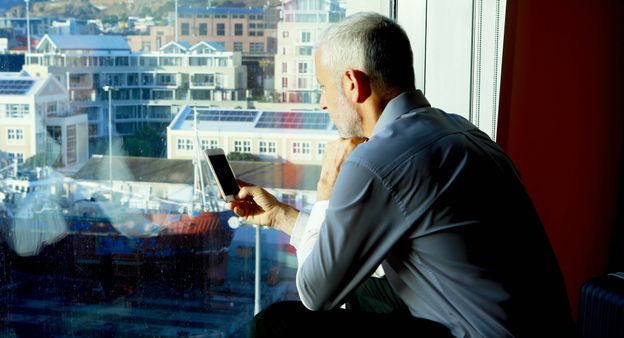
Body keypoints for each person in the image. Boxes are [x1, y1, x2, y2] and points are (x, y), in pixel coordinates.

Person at [228, 11, 576, 338]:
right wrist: (282, 217)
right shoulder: (464, 133)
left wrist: (326, 189)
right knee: (365, 287)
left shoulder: (376, 161)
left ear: (352, 83)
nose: (322, 103)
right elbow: (350, 250)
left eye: (323, 86)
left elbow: (315, 293)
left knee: (278, 324)